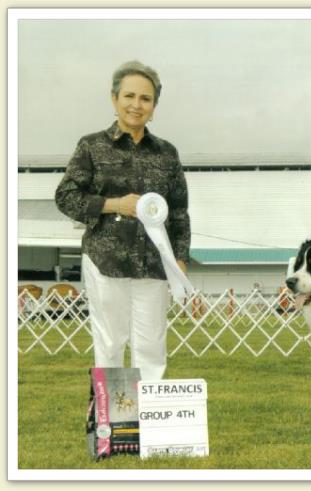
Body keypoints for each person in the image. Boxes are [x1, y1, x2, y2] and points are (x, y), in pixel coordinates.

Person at [55, 60, 191, 380]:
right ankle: (113, 425)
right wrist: (114, 204)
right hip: (105, 261)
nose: (136, 105)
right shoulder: (91, 146)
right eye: (129, 96)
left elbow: (180, 212)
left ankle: (150, 422)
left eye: (146, 99)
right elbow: (65, 197)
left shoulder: (167, 153)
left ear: (154, 106)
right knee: (110, 343)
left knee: (152, 346)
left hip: (154, 264)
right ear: (114, 99)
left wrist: (180, 258)